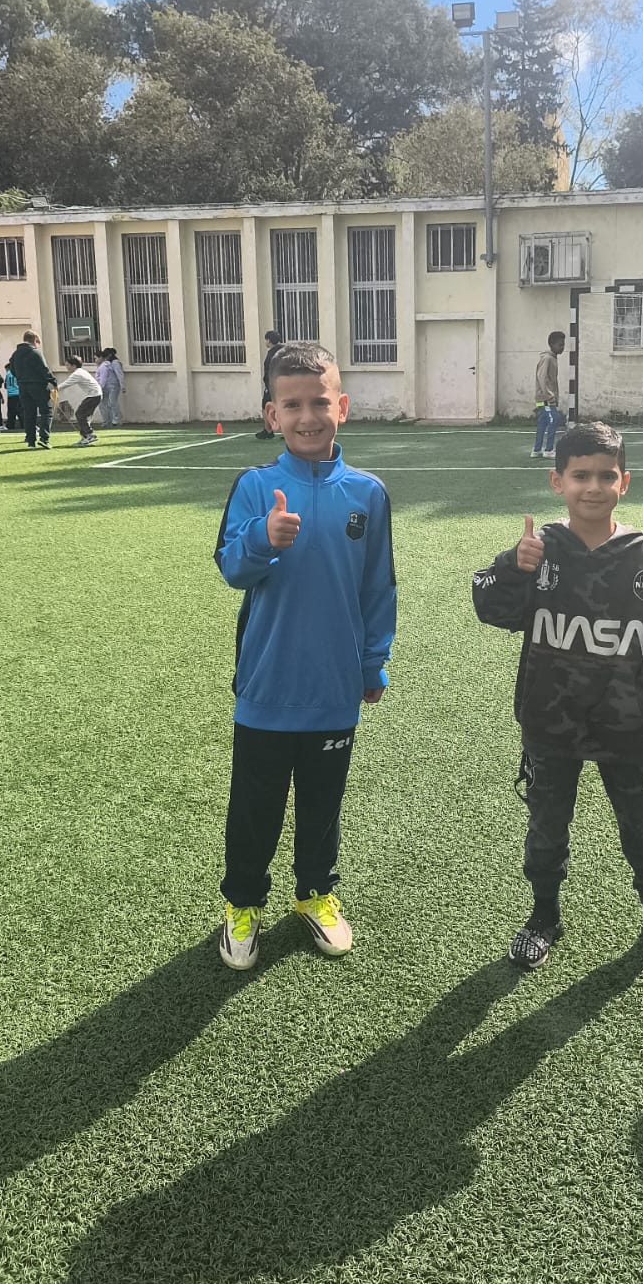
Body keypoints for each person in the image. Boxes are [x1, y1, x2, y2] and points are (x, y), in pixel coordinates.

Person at [472, 420, 643, 981]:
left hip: (628, 732)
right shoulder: (541, 550)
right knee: (547, 828)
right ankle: (543, 916)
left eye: (605, 476)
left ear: (624, 482)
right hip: (551, 725)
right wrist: (512, 565)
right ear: (558, 482)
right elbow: (490, 607)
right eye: (580, 476)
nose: (592, 487)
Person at [214, 340, 397, 970]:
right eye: (291, 405)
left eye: (319, 402)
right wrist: (263, 539)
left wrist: (371, 663)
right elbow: (231, 569)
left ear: (342, 407)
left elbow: (378, 587)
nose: (307, 416)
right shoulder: (255, 486)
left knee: (323, 805)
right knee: (254, 807)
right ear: (272, 415)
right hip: (266, 686)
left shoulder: (368, 493)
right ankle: (243, 903)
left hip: (333, 688)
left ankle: (316, 892)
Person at [9, 331, 56, 449]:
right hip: (38, 385)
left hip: (23, 387)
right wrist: (53, 381)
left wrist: (21, 379)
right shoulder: (35, 353)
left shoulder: (15, 354)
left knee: (29, 413)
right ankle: (44, 438)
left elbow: (12, 370)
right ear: (34, 340)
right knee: (46, 411)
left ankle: (30, 440)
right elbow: (44, 369)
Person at [531, 331, 566, 459]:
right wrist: (549, 395)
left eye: (563, 345)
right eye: (560, 345)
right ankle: (549, 450)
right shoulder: (547, 358)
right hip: (545, 399)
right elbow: (541, 377)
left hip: (544, 398)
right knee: (553, 420)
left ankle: (537, 450)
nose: (562, 347)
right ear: (551, 344)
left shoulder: (552, 358)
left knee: (543, 422)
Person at [56, 355, 104, 445]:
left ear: (74, 365)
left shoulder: (77, 374)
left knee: (80, 414)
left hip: (94, 395)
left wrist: (52, 390)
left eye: (68, 365)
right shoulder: (81, 371)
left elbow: (66, 384)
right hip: (95, 395)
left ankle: (90, 434)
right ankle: (85, 437)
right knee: (83, 415)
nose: (66, 367)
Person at [255, 329, 284, 441]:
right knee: (283, 406)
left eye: (266, 340)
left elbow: (271, 370)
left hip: (273, 384)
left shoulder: (272, 353)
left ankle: (268, 431)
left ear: (269, 340)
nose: (265, 342)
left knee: (265, 406)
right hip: (282, 383)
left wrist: (269, 384)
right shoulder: (283, 351)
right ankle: (286, 431)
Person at [96, 347, 126, 426]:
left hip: (114, 385)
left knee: (112, 402)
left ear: (109, 355)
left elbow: (120, 374)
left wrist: (122, 386)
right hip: (108, 385)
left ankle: (117, 419)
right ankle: (112, 419)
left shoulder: (115, 363)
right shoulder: (108, 363)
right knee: (109, 403)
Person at [4, 363, 21, 430]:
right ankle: (23, 425)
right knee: (21, 411)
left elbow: (5, 385)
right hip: (18, 393)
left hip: (11, 395)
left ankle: (10, 426)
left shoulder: (8, 374)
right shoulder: (18, 372)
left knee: (11, 412)